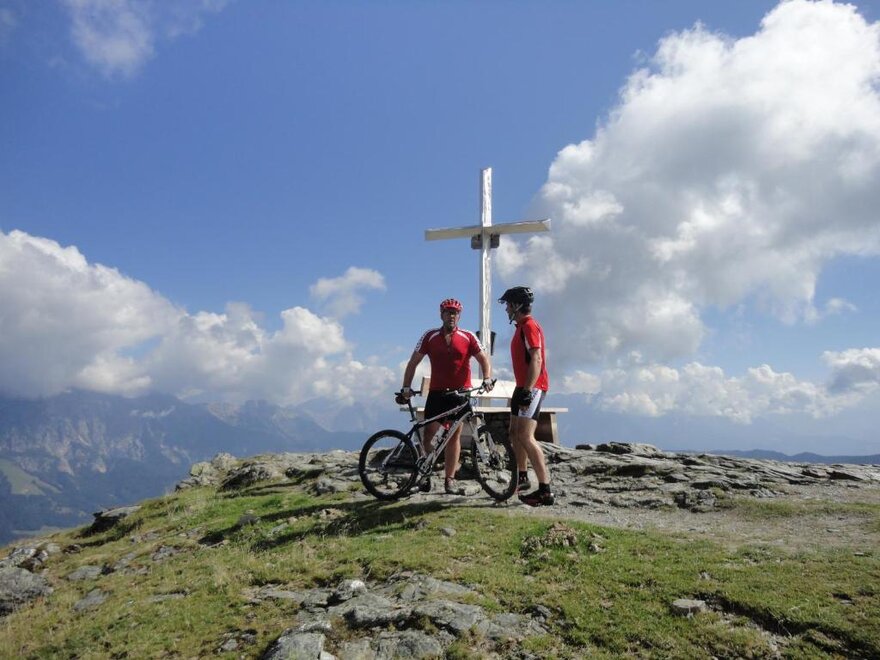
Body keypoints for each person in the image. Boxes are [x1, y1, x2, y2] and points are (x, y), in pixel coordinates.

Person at [399, 298, 493, 493]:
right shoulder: (430, 336)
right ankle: (425, 475)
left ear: (459, 316)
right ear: (441, 314)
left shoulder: (468, 336)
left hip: (459, 394)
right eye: (448, 312)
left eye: (455, 313)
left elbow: (484, 359)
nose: (452, 316)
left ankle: (449, 480)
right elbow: (413, 362)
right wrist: (406, 387)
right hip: (437, 393)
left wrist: (487, 378)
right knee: (429, 435)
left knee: (453, 436)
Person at [498, 286, 554, 506]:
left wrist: (528, 391)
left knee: (525, 435)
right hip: (522, 386)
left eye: (508, 305)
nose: (506, 309)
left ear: (517, 305)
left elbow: (537, 359)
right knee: (514, 433)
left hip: (533, 386)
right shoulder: (520, 327)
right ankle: (522, 477)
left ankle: (545, 490)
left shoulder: (529, 326)